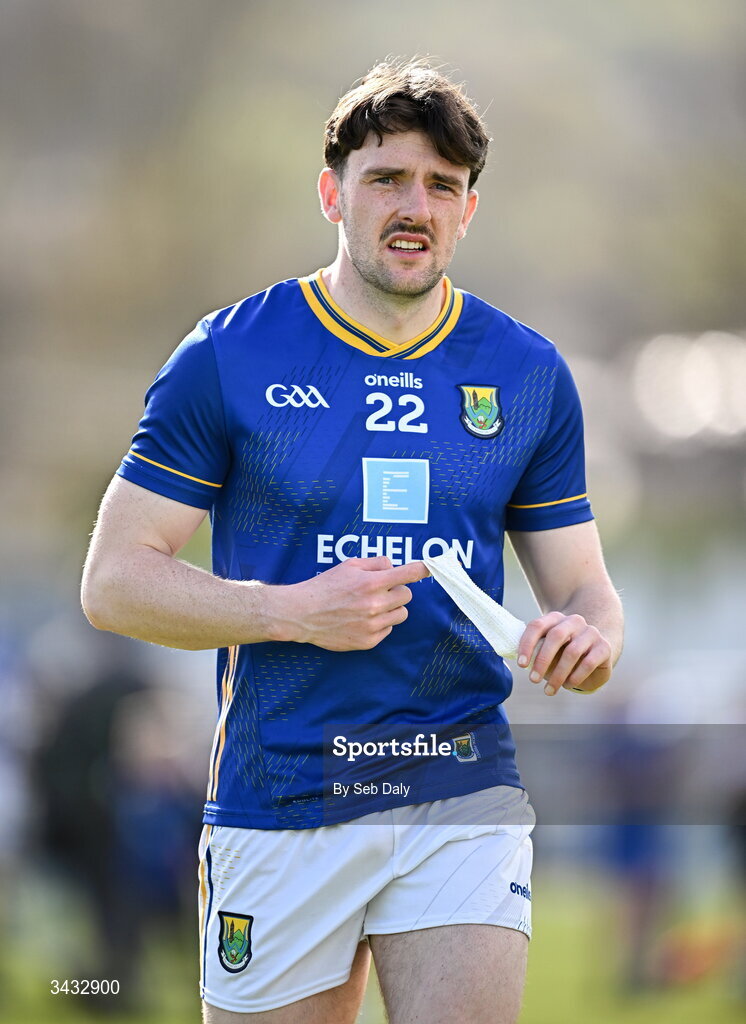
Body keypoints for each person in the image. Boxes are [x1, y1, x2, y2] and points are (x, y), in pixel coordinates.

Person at [81, 58, 624, 1024]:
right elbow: (114, 583)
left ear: (468, 212)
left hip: (459, 790)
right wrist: (293, 611)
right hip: (281, 794)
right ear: (333, 191)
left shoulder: (528, 372)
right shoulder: (228, 354)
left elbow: (584, 587)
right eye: (387, 179)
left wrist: (589, 638)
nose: (415, 206)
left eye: (442, 187)